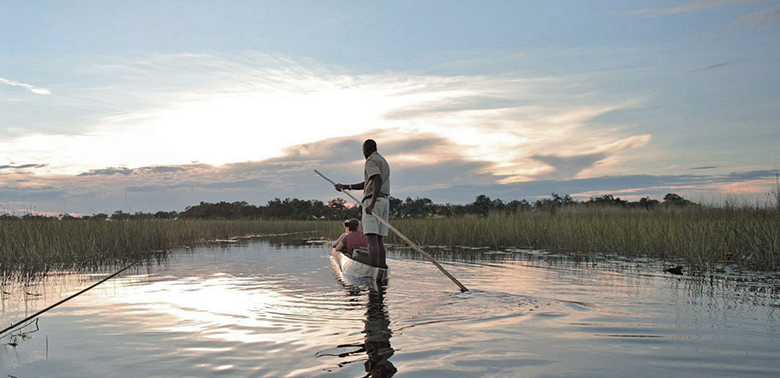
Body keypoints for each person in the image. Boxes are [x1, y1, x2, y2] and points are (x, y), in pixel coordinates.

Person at [335, 139, 390, 269]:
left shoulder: (370, 161)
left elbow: (377, 179)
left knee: (371, 238)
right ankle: (381, 268)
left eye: (363, 151)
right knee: (378, 239)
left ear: (366, 150)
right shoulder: (383, 161)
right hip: (384, 201)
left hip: (374, 201)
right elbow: (369, 182)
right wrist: (347, 186)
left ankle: (374, 269)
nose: (363, 153)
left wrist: (371, 203)